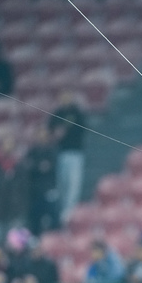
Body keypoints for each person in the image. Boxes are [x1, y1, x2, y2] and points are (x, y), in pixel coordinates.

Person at [49, 91, 86, 222]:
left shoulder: (77, 112)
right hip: (61, 152)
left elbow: (83, 128)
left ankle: (71, 212)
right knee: (62, 183)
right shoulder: (58, 113)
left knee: (74, 183)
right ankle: (62, 212)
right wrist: (56, 134)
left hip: (76, 152)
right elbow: (50, 131)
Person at [23, 127, 59, 235]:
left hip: (48, 189)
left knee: (52, 217)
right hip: (34, 190)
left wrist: (36, 166)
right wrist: (39, 166)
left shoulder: (52, 150)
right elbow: (28, 166)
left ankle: (53, 239)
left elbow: (47, 167)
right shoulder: (32, 151)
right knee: (34, 218)